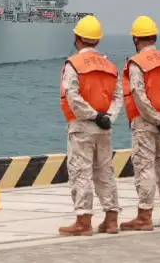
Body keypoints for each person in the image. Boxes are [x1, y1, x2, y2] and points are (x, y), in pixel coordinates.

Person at [58, 15, 122, 236]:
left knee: (81, 172)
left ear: (77, 38)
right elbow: (118, 96)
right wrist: (107, 117)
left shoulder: (73, 64)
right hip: (104, 127)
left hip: (83, 126)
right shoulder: (110, 66)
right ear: (97, 40)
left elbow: (72, 96)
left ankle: (83, 222)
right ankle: (111, 219)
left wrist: (92, 115)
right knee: (105, 172)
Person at [119, 15, 160, 231]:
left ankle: (144, 217)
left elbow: (138, 95)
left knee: (145, 168)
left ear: (136, 39)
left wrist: (155, 118)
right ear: (154, 36)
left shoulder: (136, 63)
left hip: (145, 123)